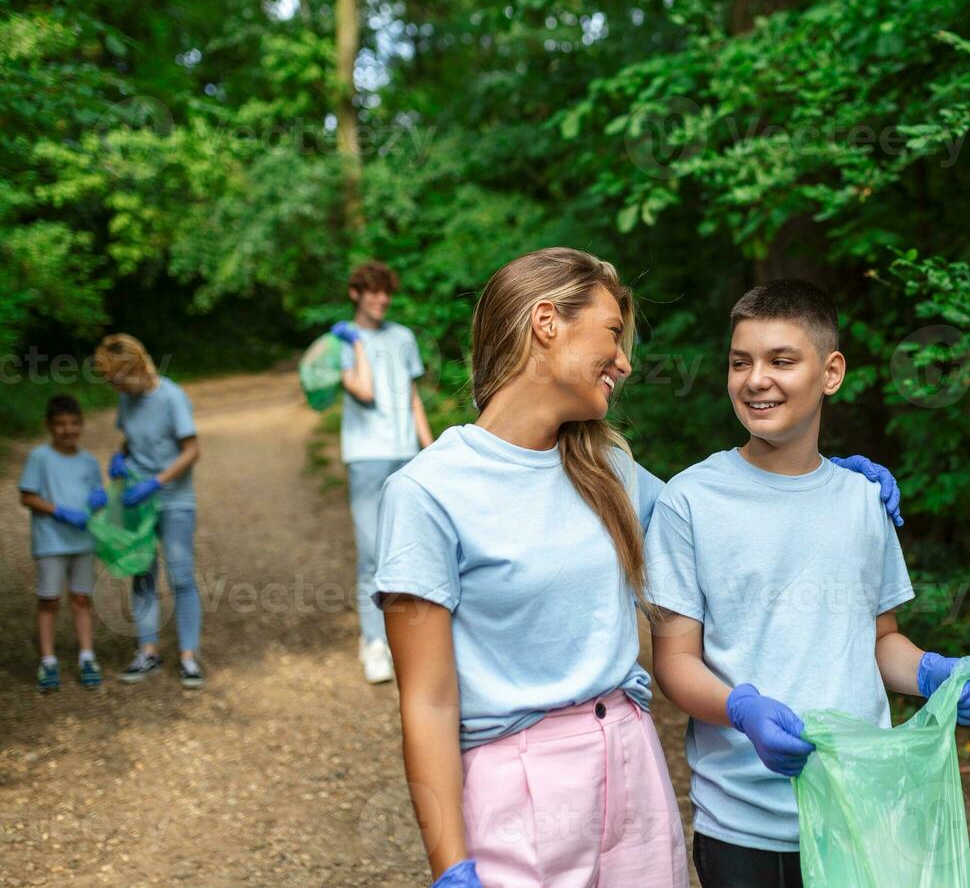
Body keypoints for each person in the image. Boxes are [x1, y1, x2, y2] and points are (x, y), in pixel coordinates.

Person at [372, 249, 901, 888]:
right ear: (546, 322)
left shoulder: (609, 471)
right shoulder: (427, 493)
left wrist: (833, 478)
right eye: (613, 334)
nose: (624, 361)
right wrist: (449, 862)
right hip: (517, 787)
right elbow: (427, 702)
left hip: (631, 765)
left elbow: (728, 507)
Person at [646, 279, 970, 888]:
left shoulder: (865, 500)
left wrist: (932, 672)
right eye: (740, 362)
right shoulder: (689, 500)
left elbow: (881, 641)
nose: (756, 379)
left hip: (865, 806)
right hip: (745, 823)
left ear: (831, 373)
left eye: (782, 360)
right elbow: (674, 660)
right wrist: (740, 707)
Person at [330, 260, 434, 684]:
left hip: (406, 453)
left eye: (386, 292)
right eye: (373, 292)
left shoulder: (403, 337)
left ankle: (413, 639)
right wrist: (355, 343)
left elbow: (410, 397)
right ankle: (374, 643)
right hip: (366, 455)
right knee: (372, 552)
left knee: (410, 549)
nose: (382, 299)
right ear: (356, 293)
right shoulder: (337, 343)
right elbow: (365, 391)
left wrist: (430, 449)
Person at [94, 334, 205, 688]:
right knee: (141, 572)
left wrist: (156, 482)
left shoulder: (171, 397)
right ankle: (148, 652)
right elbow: (129, 438)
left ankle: (189, 657)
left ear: (136, 367)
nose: (115, 388)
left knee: (181, 576)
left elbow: (191, 451)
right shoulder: (128, 398)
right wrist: (120, 458)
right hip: (137, 504)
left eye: (117, 379)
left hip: (174, 499)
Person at [18, 394, 107, 692]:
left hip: (83, 542)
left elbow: (97, 493)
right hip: (51, 542)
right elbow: (27, 496)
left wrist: (99, 499)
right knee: (50, 600)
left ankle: (87, 656)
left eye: (74, 423)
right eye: (61, 424)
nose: (68, 430)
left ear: (81, 424)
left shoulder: (89, 461)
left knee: (82, 598)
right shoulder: (39, 458)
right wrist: (60, 511)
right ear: (49, 426)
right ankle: (48, 660)